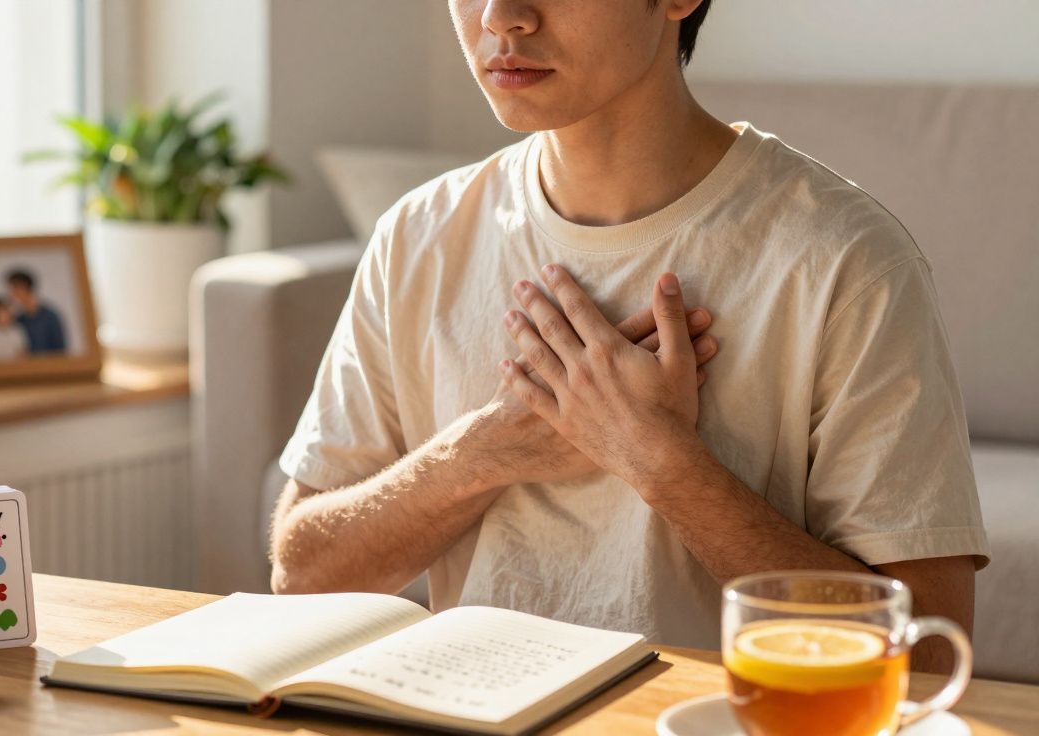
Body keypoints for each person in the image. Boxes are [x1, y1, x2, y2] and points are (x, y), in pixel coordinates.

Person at [270, 0, 988, 674]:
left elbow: (927, 657)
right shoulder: (417, 237)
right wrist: (485, 451)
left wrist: (662, 462)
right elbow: (300, 578)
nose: (500, 17)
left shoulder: (846, 259)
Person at [6, 268, 67, 355]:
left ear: (23, 289)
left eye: (13, 290)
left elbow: (61, 349)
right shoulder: (19, 320)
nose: (11, 295)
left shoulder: (50, 317)